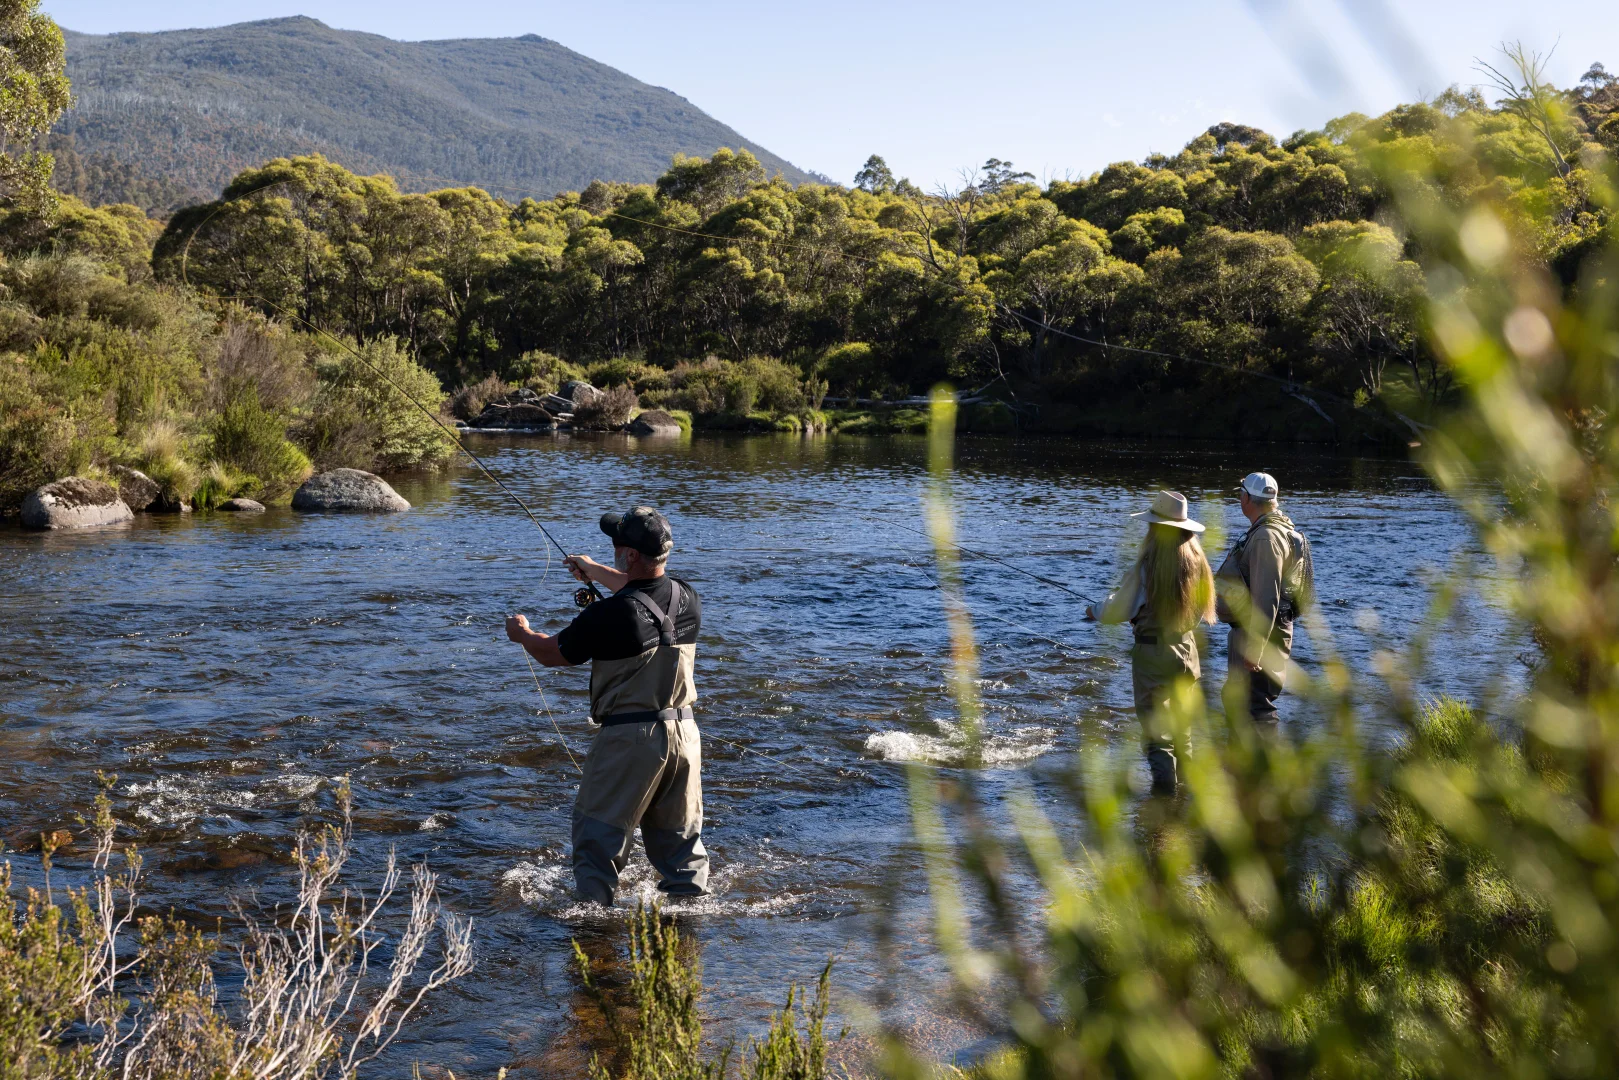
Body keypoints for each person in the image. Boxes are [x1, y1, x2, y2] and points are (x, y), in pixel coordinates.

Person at [505, 506, 709, 906]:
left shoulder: (610, 613)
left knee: (597, 840)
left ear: (631, 555)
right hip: (685, 735)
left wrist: (523, 634)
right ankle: (687, 937)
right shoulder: (687, 596)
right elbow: (643, 595)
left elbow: (552, 653)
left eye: (616, 543)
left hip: (631, 740)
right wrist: (594, 569)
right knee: (680, 843)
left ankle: (592, 937)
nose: (613, 548)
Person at [1084, 490, 1216, 792]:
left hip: (1153, 654)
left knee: (1158, 736)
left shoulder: (1147, 566)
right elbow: (1196, 614)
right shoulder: (1198, 565)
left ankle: (1164, 804)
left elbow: (1117, 609)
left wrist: (1094, 610)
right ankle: (1187, 797)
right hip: (1187, 651)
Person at [1216, 472, 1312, 726]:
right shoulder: (1276, 529)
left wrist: (1256, 650)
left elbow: (1266, 596)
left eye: (1241, 493)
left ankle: (1266, 765)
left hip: (1258, 634)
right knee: (1239, 701)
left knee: (1255, 706)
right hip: (1263, 630)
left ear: (1247, 498)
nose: (1239, 497)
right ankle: (1241, 764)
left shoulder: (1265, 538)